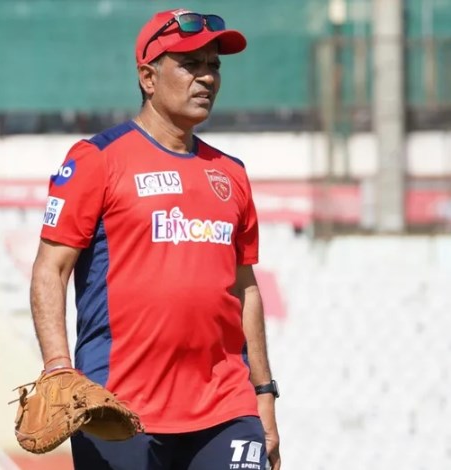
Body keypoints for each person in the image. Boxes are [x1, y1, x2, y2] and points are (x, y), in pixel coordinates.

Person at [29, 8, 281, 470]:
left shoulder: (231, 173)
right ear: (148, 77)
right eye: (190, 64)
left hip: (225, 406)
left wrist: (263, 393)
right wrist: (58, 367)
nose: (207, 77)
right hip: (117, 409)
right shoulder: (97, 159)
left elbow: (245, 288)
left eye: (214, 65)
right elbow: (51, 267)